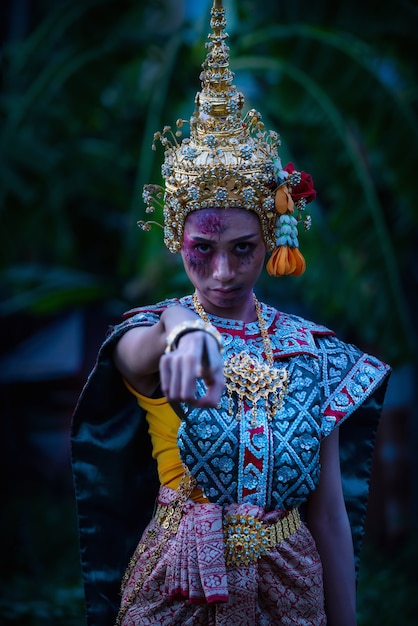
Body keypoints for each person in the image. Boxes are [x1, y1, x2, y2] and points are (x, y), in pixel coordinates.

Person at [71, 2, 391, 625]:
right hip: (179, 583)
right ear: (177, 243)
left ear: (272, 243)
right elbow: (135, 354)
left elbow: (327, 514)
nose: (223, 273)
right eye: (203, 250)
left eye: (243, 249)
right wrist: (182, 327)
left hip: (292, 582)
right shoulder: (159, 336)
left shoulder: (311, 350)